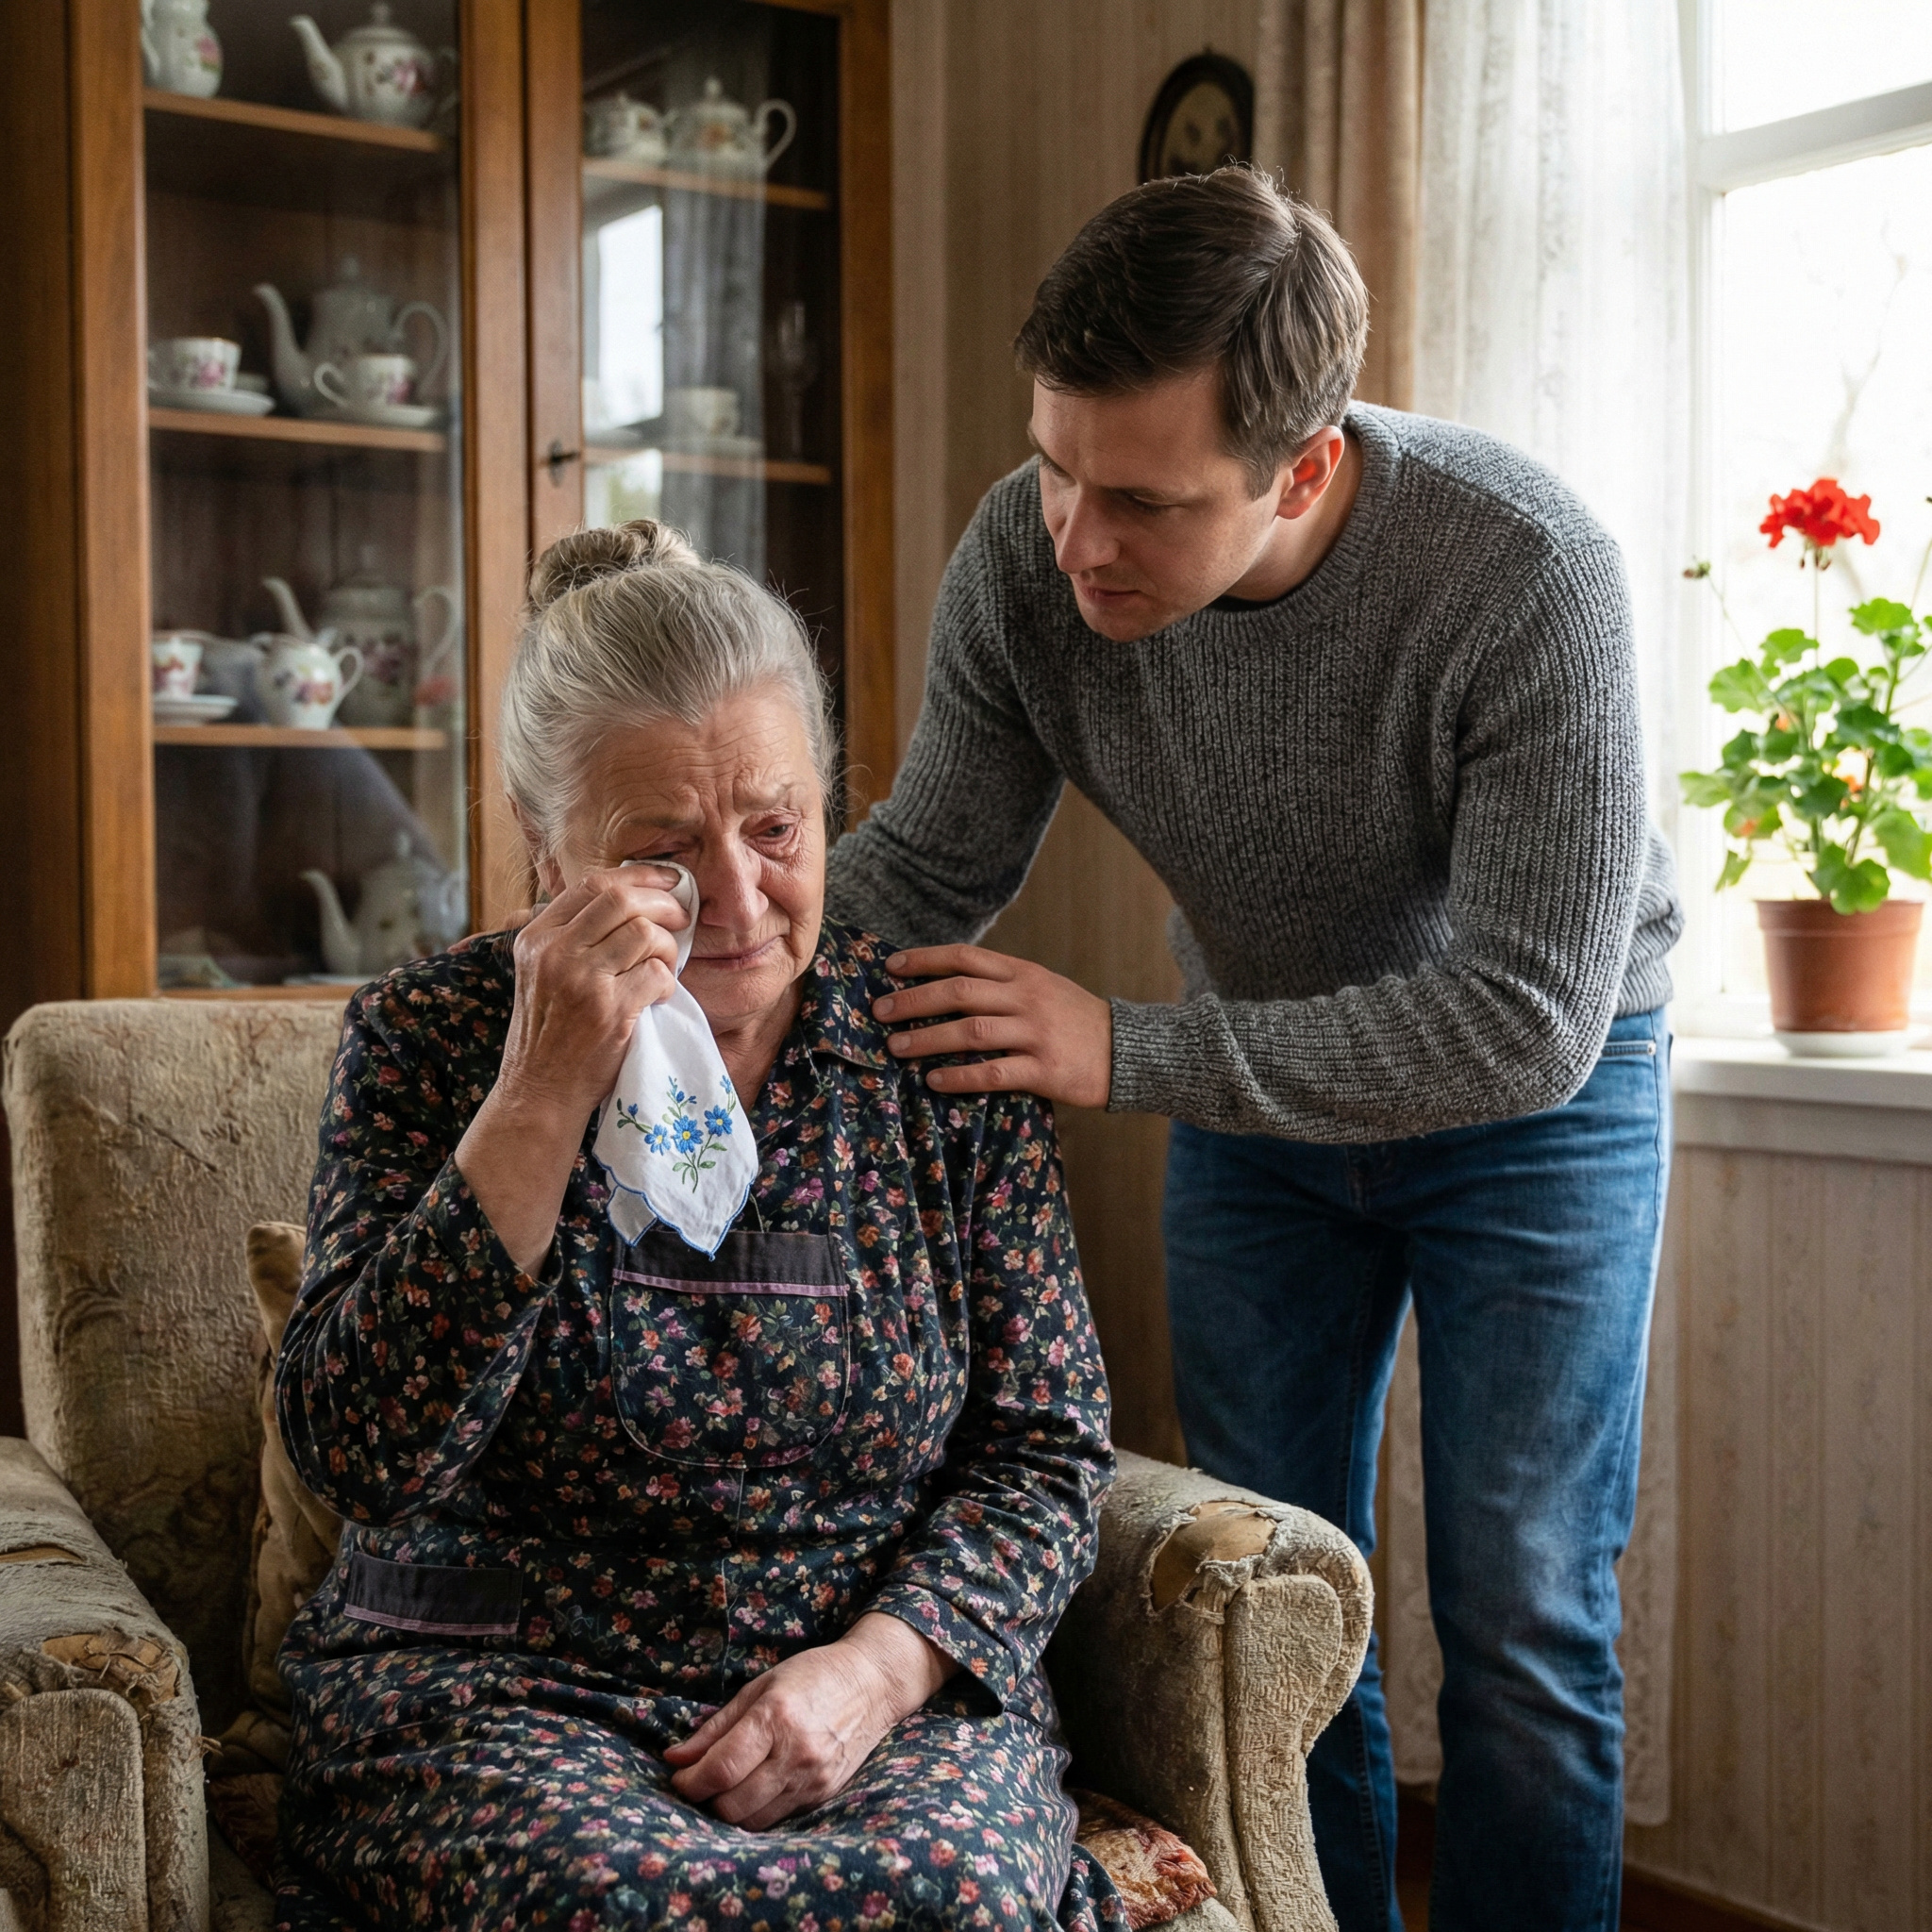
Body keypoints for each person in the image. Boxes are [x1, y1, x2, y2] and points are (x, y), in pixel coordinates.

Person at [824, 168, 1681, 1932]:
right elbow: (925, 867)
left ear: (1303, 468)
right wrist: (690, 938)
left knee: (1527, 1619)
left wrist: (1125, 1049)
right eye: (1054, 463)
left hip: (1545, 1100)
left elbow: (1523, 1020)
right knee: (1277, 1609)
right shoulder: (1029, 552)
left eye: (1138, 499)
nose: (1073, 540)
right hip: (1255, 1104)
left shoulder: (1528, 574)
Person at [273, 522, 1119, 1930]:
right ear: (547, 853)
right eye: (663, 853)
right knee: (626, 1904)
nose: (736, 900)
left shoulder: (933, 1056)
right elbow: (363, 1452)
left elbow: (1045, 1446)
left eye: (775, 828)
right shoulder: (429, 1042)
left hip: (857, 1689)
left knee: (949, 1893)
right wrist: (543, 1083)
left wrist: (876, 1672)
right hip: (499, 1690)